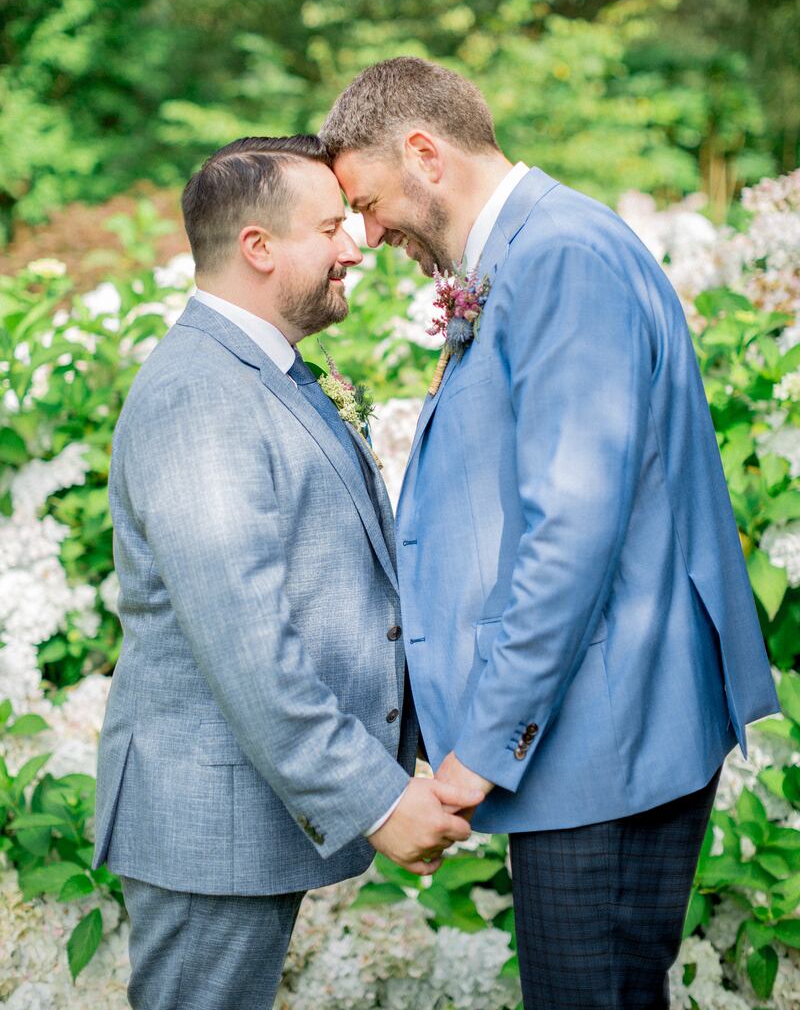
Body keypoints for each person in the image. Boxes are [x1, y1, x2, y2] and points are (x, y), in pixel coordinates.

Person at [320, 59, 779, 1010]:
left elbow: (573, 530)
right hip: (597, 729)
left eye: (366, 204)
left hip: (602, 736)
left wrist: (483, 745)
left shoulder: (560, 256)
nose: (367, 237)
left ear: (423, 152)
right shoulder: (528, 253)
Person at [93, 134, 483, 1010]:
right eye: (330, 227)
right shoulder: (200, 395)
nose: (356, 246)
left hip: (248, 817)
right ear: (258, 248)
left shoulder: (275, 374)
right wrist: (380, 802)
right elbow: (247, 642)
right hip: (209, 824)